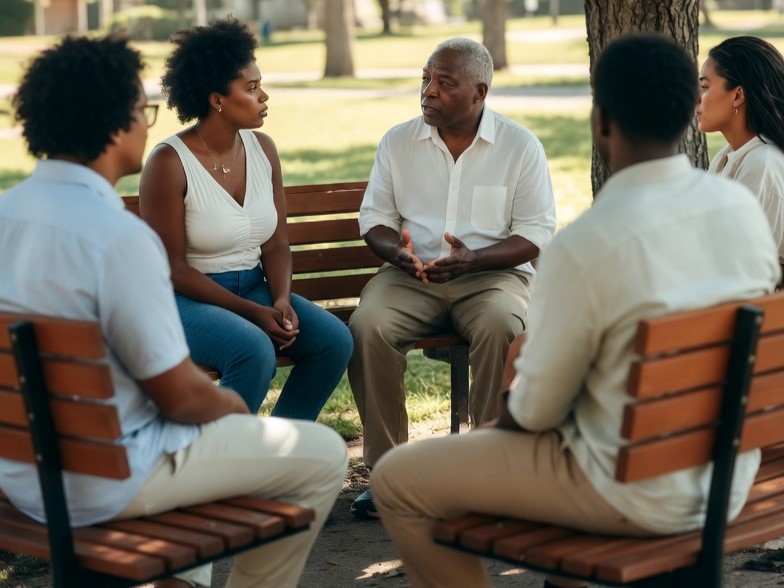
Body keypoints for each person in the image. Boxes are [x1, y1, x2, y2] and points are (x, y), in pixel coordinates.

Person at [369, 33, 781, 588]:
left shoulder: (586, 245)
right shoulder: (738, 208)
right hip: (725, 476)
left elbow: (535, 414)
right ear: (687, 114)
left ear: (602, 122)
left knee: (399, 477)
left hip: (629, 488)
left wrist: (495, 429)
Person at [0, 34, 347, 588]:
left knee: (214, 450)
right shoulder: (117, 236)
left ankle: (186, 579)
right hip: (110, 477)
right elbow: (182, 397)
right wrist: (237, 418)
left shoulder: (6, 213)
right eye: (144, 110)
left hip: (21, 473)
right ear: (116, 123)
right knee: (323, 454)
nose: (148, 122)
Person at [348, 37, 556, 518]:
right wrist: (395, 254)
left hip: (492, 277)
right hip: (411, 276)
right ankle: (389, 474)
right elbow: (374, 219)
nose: (428, 91)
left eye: (444, 83)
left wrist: (476, 259)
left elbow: (536, 232)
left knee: (503, 324)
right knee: (367, 326)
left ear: (479, 92)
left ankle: (483, 473)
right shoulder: (398, 142)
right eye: (425, 79)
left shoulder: (519, 146)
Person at [139, 17, 353, 418]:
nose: (264, 96)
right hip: (186, 300)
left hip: (254, 288)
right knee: (253, 350)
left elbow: (276, 243)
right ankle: (222, 465)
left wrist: (281, 298)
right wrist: (254, 313)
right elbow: (172, 269)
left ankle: (277, 453)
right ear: (217, 98)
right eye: (251, 88)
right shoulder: (169, 162)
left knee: (333, 341)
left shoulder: (263, 149)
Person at [697, 36, 784, 286]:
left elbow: (745, 276)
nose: (697, 98)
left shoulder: (763, 164)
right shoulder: (726, 158)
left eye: (705, 87)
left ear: (737, 96)